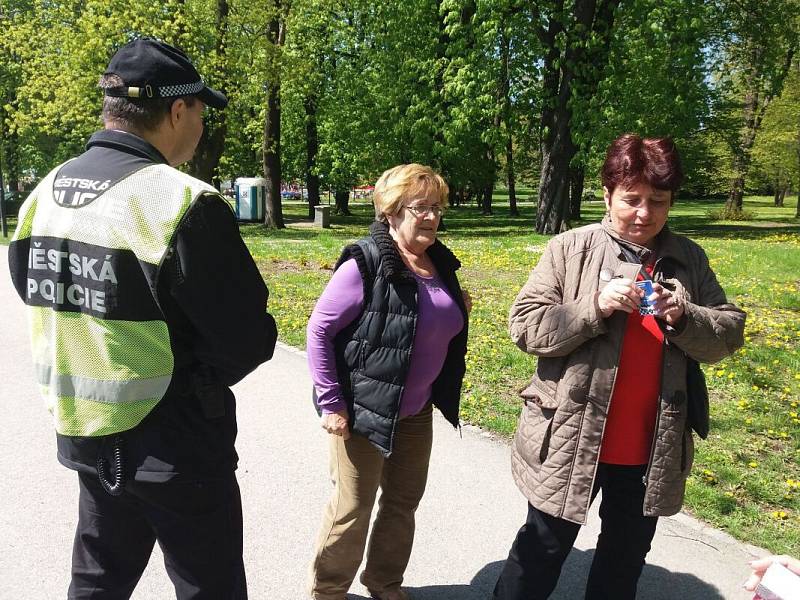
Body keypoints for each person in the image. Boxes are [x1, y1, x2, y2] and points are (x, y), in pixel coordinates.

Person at [8, 38, 277, 599]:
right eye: (201, 109)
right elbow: (247, 337)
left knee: (98, 580)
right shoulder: (180, 201)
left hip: (87, 433)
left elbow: (34, 289)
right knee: (210, 586)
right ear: (177, 110)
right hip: (176, 446)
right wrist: (195, 381)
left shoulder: (45, 192)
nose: (201, 123)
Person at [492, 134, 746, 599]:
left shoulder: (688, 259)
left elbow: (728, 333)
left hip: (650, 447)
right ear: (608, 195)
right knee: (539, 554)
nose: (644, 213)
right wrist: (593, 307)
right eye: (631, 199)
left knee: (623, 562)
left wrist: (682, 315)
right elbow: (525, 326)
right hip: (570, 436)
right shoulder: (571, 248)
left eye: (658, 201)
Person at [306, 164, 470, 600]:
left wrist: (458, 308)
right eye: (420, 208)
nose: (432, 217)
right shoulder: (367, 261)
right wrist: (331, 402)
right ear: (391, 212)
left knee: (402, 505)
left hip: (415, 411)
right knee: (352, 510)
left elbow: (433, 321)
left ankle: (384, 582)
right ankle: (328, 591)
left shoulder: (440, 263)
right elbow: (319, 330)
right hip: (363, 410)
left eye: (437, 208)